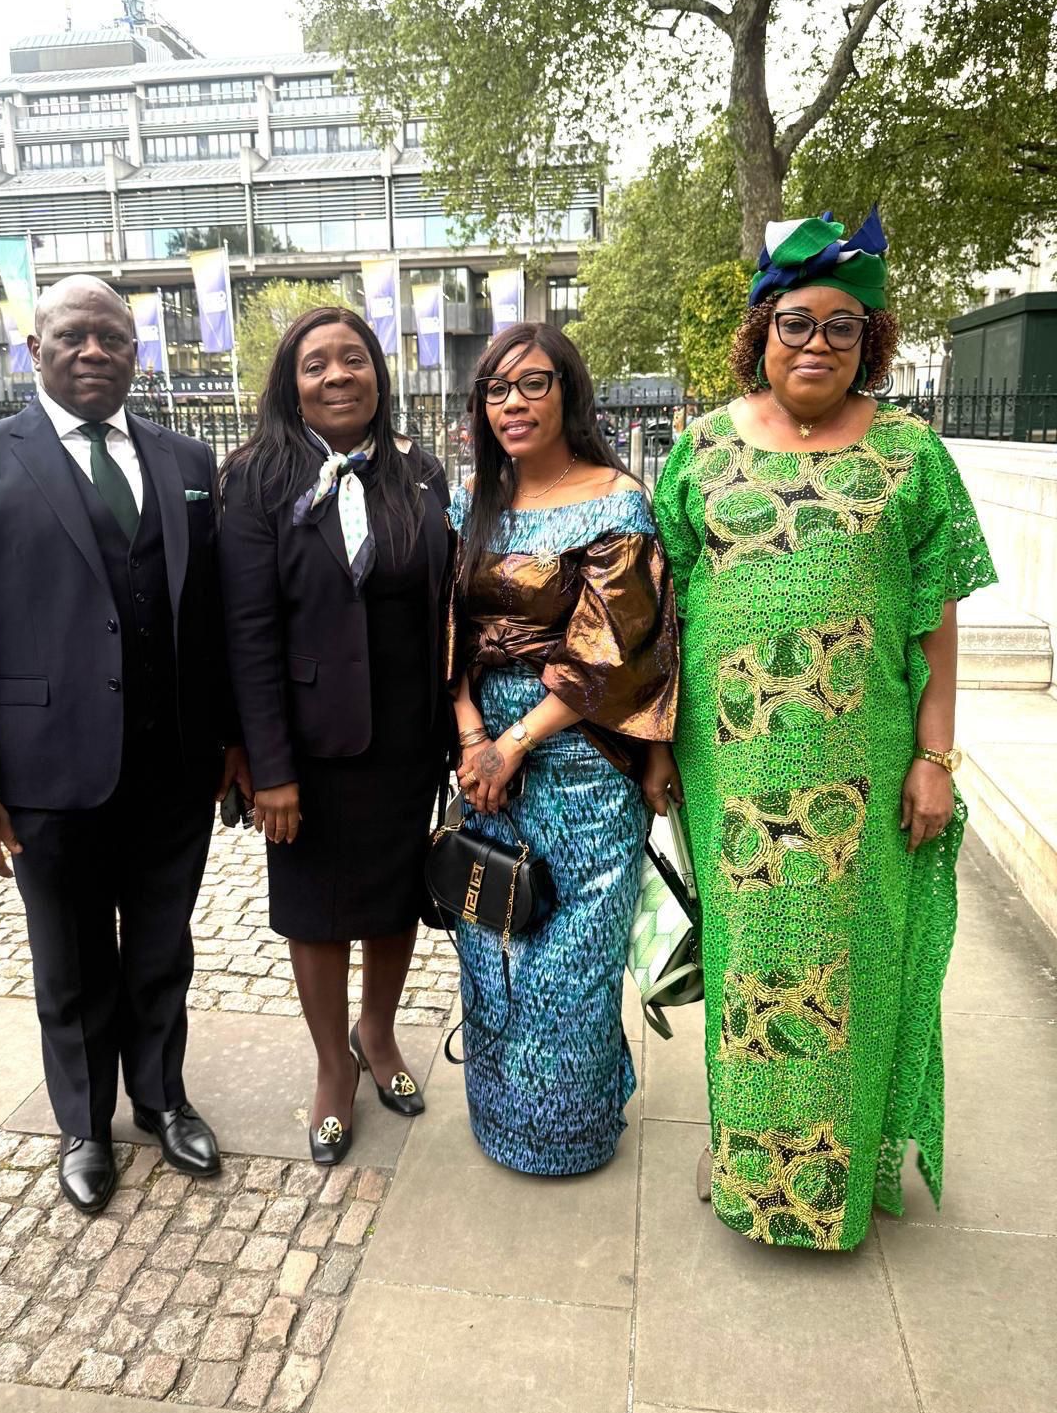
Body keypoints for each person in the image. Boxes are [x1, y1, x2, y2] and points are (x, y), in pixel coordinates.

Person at [654, 210, 996, 1250]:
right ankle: (744, 1150)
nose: (816, 344)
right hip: (732, 765)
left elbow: (935, 623)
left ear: (871, 340)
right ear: (761, 333)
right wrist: (659, 746)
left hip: (864, 769)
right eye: (795, 323)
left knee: (851, 966)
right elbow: (665, 614)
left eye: (842, 326)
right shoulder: (701, 450)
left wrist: (935, 758)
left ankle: (833, 1177)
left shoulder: (911, 454)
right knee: (749, 965)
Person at [0, 275, 248, 1215]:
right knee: (68, 957)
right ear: (36, 349)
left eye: (113, 337)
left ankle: (162, 1099)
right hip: (45, 769)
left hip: (172, 766)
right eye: (72, 336)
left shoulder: (186, 459)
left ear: (137, 352)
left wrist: (230, 740)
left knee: (161, 947)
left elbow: (211, 618)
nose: (94, 351)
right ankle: (83, 1124)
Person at [219, 307, 452, 1165]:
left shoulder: (418, 474)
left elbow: (443, 605)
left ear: (379, 376)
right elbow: (246, 632)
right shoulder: (255, 479)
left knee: (393, 900)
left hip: (406, 737)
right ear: (292, 385)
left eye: (353, 359)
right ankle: (331, 1067)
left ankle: (377, 1035)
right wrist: (269, 767)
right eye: (315, 364)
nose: (337, 376)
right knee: (315, 912)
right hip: (309, 748)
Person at [449, 322, 679, 1175]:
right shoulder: (471, 502)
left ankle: (569, 1133)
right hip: (483, 762)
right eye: (496, 389)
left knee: (573, 962)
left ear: (568, 392)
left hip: (581, 759)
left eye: (532, 384)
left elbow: (613, 649)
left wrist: (514, 742)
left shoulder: (616, 500)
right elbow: (444, 629)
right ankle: (501, 1120)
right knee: (491, 939)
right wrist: (473, 735)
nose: (513, 403)